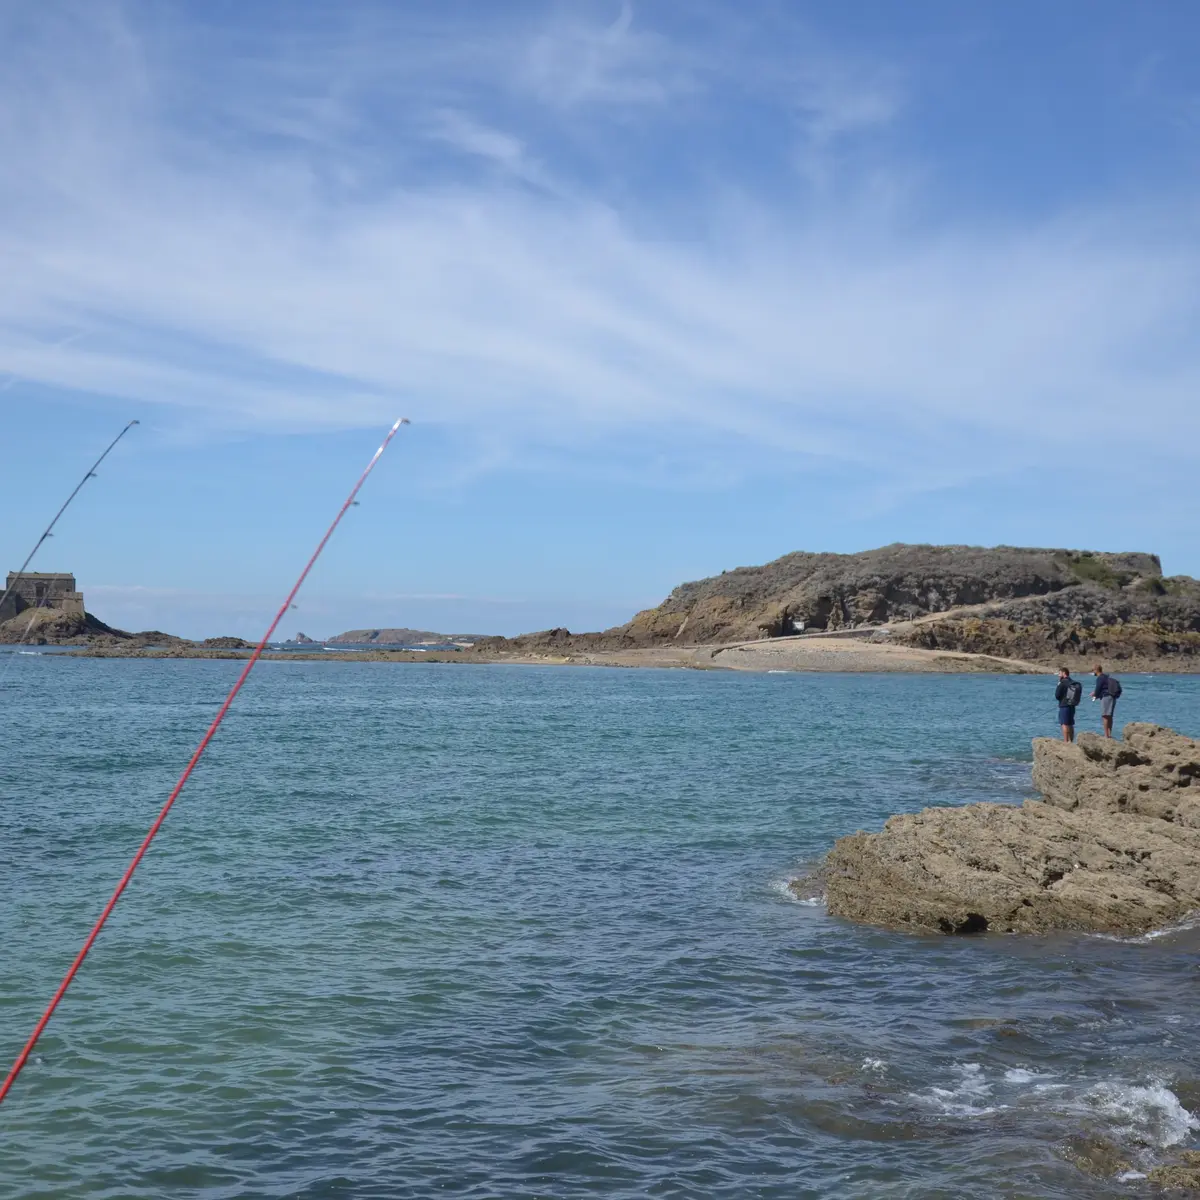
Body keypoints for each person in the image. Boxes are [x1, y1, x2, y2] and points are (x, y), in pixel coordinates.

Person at [1091, 663, 1116, 739]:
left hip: (1106, 697)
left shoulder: (1100, 678)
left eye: (1093, 670)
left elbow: (1098, 689)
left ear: (1096, 670)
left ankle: (1106, 735)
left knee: (1105, 716)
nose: (1093, 672)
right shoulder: (1106, 677)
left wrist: (1094, 695)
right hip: (1112, 697)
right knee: (1109, 716)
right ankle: (1109, 734)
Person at [1055, 667, 1078, 743]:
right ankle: (1071, 741)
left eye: (1059, 673)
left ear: (1064, 673)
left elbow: (1057, 695)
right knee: (1070, 723)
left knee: (1064, 724)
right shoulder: (1072, 682)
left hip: (1064, 705)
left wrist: (1058, 684)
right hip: (1072, 705)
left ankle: (1065, 741)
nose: (1059, 675)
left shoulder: (1062, 682)